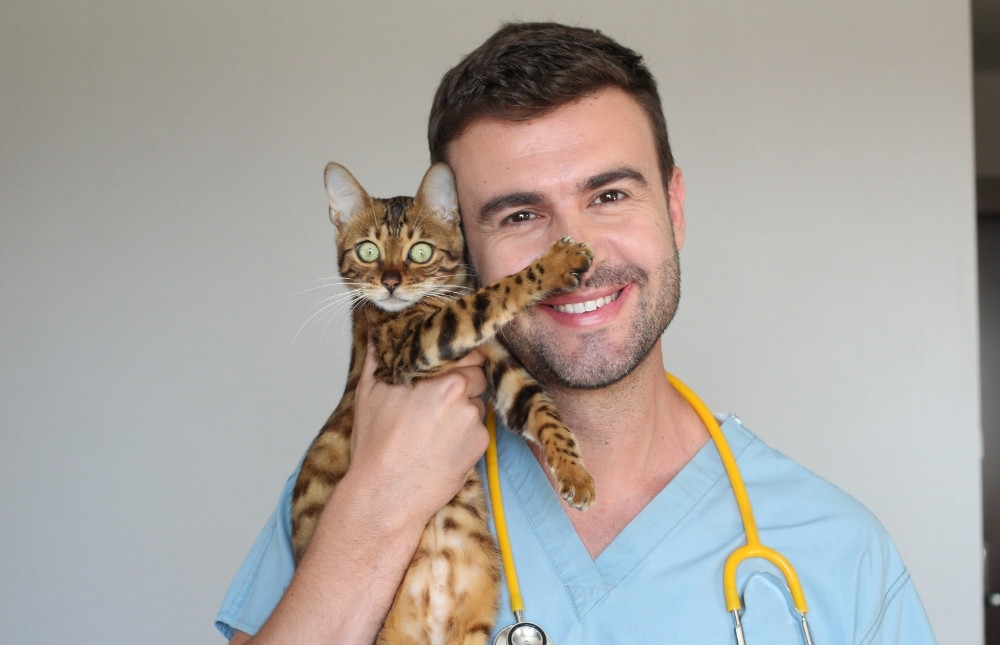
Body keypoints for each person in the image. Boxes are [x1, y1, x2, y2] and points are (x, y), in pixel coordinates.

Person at [216, 21, 937, 644]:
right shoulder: (351, 484)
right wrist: (378, 503)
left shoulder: (841, 554)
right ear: (463, 248)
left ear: (674, 208)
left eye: (610, 194)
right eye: (520, 214)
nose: (577, 254)